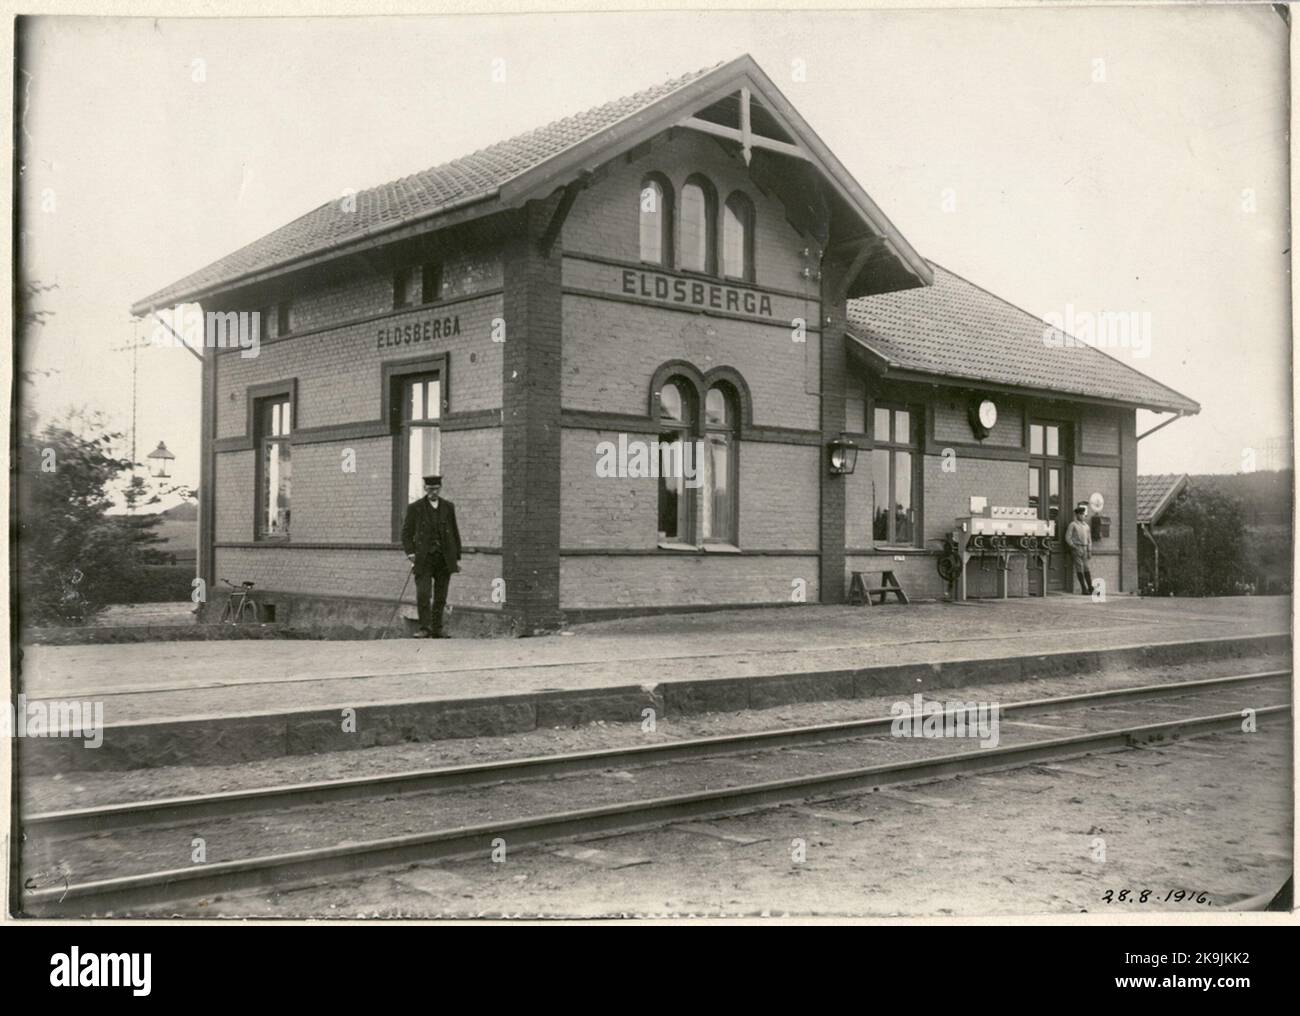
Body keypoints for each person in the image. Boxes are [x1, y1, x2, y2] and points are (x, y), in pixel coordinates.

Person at [400, 474, 462, 637]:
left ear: (440, 488)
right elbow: (406, 533)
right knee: (424, 594)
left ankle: (437, 629)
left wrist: (456, 557)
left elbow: (454, 532)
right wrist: (411, 553)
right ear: (424, 489)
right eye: (430, 489)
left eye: (436, 489)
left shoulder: (448, 507)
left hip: (443, 558)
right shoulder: (415, 508)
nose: (433, 492)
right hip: (424, 558)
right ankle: (424, 628)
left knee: (441, 596)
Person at [1065, 503, 1093, 596]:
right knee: (1079, 567)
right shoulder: (1073, 525)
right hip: (1077, 548)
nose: (1082, 516)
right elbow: (1067, 538)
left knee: (1086, 568)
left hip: (1085, 548)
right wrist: (1074, 546)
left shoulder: (1086, 526)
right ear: (1076, 515)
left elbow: (1089, 539)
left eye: (1083, 514)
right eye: (1080, 514)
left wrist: (1089, 550)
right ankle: (1083, 588)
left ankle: (1090, 587)